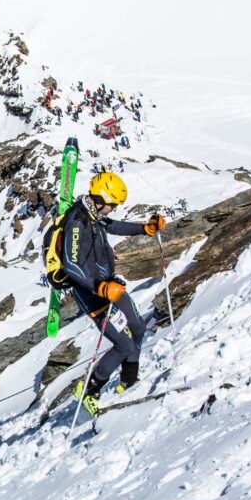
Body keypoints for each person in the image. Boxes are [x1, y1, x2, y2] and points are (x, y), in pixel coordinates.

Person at [59, 172, 165, 414]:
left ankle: (128, 380)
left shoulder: (94, 215)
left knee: (138, 327)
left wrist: (145, 229)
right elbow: (70, 264)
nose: (113, 208)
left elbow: (113, 225)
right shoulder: (77, 222)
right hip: (93, 294)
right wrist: (99, 287)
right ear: (99, 199)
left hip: (110, 286)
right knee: (124, 345)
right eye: (112, 204)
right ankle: (88, 389)